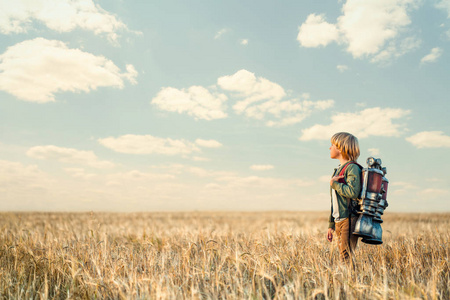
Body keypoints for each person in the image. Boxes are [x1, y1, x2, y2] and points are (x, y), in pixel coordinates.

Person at [327, 132, 362, 263]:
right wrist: (331, 224)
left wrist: (334, 184)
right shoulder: (337, 170)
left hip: (348, 218)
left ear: (341, 148)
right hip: (339, 220)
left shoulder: (352, 168)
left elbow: (353, 192)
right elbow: (334, 200)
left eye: (332, 145)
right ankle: (346, 281)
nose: (330, 148)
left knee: (346, 257)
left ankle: (350, 281)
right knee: (343, 255)